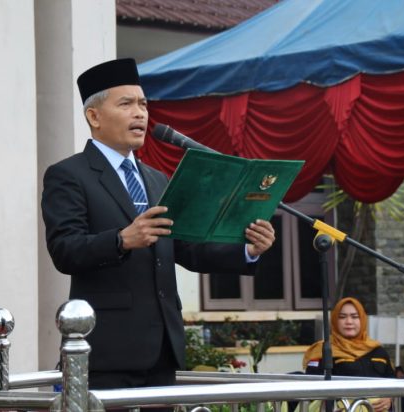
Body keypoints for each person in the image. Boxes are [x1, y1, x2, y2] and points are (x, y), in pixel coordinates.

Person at [41, 58, 276, 393]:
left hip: (163, 349)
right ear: (94, 116)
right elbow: (65, 249)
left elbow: (186, 248)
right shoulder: (69, 175)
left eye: (143, 104)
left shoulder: (157, 178)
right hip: (107, 351)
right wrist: (122, 240)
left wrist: (247, 250)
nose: (140, 113)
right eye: (126, 104)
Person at [303, 297, 395, 412]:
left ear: (362, 319)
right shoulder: (323, 350)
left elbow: (393, 382)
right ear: (335, 320)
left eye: (354, 317)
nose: (349, 322)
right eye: (342, 317)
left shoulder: (378, 350)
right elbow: (312, 390)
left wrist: (389, 398)